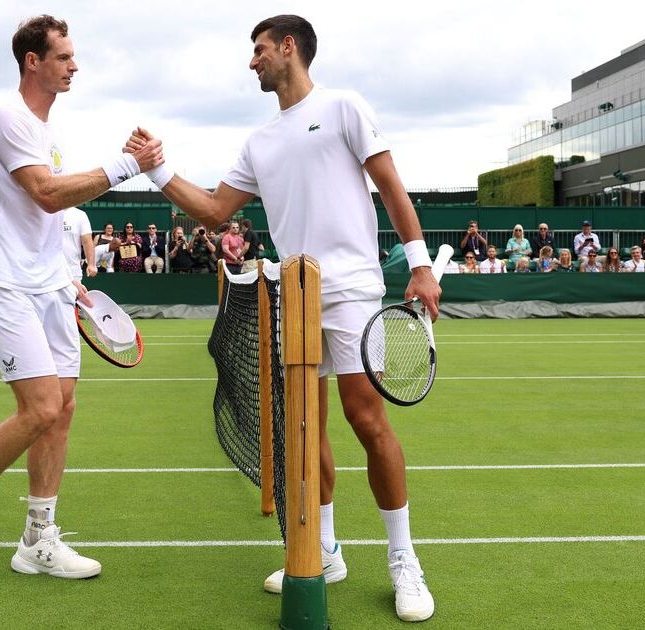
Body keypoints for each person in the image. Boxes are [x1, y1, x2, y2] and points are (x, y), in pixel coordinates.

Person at [123, 15, 439, 621]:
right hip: (293, 296)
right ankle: (323, 549)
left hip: (349, 290)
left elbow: (392, 185)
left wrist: (421, 267)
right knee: (304, 428)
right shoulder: (258, 142)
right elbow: (216, 211)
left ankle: (404, 561)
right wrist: (158, 170)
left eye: (259, 50)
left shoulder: (344, 106)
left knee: (366, 419)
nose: (253, 61)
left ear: (288, 47)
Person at [0, 13, 163, 583]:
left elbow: (46, 223)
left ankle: (37, 539)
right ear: (33, 61)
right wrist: (127, 164)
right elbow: (47, 194)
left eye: (72, 56)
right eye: (63, 57)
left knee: (61, 411)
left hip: (51, 287)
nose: (74, 65)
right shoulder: (6, 118)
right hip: (6, 285)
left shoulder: (46, 132)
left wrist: (69, 279)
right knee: (38, 408)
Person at [61, 207, 97, 280]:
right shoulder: (44, 212)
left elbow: (87, 241)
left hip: (73, 270)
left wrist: (91, 264)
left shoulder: (80, 215)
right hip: (47, 272)